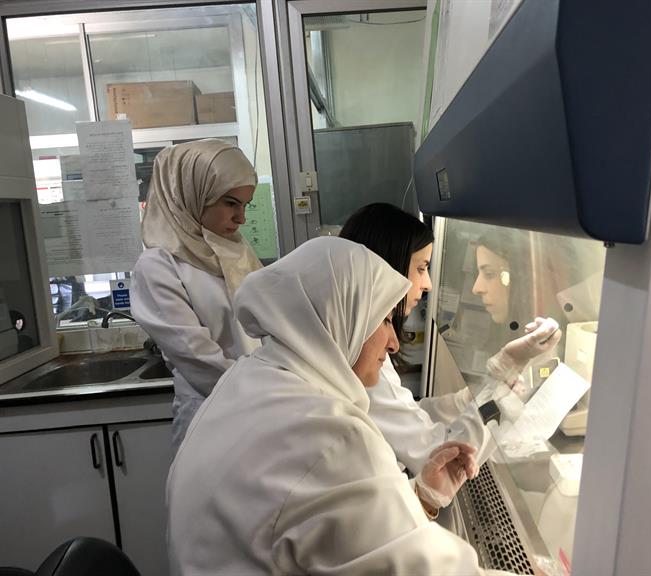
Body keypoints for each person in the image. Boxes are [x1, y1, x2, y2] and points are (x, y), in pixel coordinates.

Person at [167, 236, 487, 575]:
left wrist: (420, 496)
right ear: (341, 317)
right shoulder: (330, 433)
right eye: (383, 321)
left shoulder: (252, 375)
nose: (393, 343)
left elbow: (320, 523)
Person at [339, 203, 560, 476]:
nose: (428, 284)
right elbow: (441, 457)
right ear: (388, 268)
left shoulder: (350, 340)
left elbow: (407, 413)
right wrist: (508, 369)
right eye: (421, 268)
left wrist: (469, 398)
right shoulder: (362, 355)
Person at [131, 139, 262, 454]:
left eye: (246, 205)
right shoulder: (158, 265)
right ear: (190, 195)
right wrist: (271, 392)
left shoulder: (235, 249)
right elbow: (197, 357)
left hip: (261, 406)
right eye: (230, 203)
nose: (241, 219)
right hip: (212, 414)